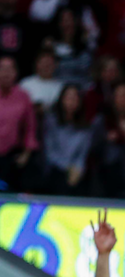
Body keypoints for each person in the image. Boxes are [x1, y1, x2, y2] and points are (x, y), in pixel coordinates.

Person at [42, 84, 92, 194]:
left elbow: (82, 155)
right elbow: (50, 153)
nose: (71, 101)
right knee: (60, 181)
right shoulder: (51, 121)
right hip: (54, 169)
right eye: (68, 97)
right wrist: (68, 168)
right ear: (61, 99)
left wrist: (78, 169)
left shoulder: (85, 126)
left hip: (76, 171)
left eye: (75, 98)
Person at [0, 56, 39, 191]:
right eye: (2, 68)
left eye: (10, 69)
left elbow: (30, 128)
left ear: (16, 73)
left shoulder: (23, 96)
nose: (6, 73)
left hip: (12, 156)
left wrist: (26, 154)